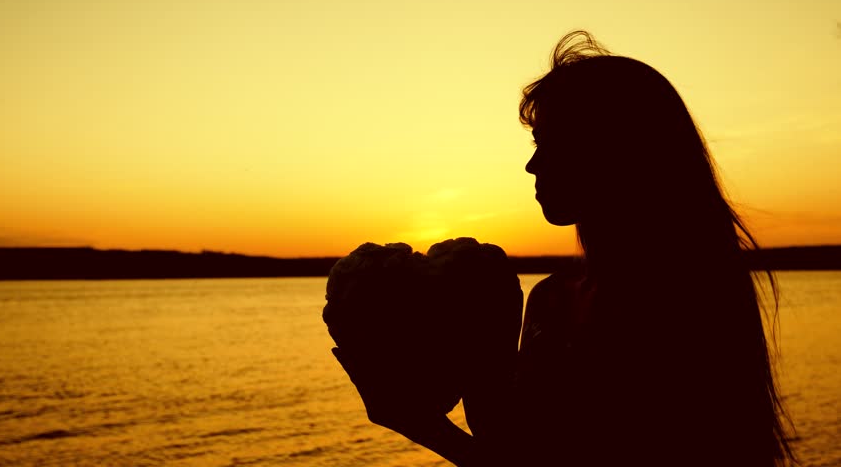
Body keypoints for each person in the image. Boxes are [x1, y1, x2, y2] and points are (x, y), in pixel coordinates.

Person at [332, 30, 797, 466]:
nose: (533, 164)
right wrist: (475, 346)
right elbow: (509, 449)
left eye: (553, 143)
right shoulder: (550, 300)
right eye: (537, 142)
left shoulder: (685, 305)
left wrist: (419, 424)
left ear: (617, 151)